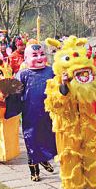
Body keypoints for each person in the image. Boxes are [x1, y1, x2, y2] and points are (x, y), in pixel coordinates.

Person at [44, 36, 96, 189]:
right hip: (67, 128)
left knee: (92, 157)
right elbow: (54, 104)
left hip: (88, 125)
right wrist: (64, 86)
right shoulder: (54, 82)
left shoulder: (87, 81)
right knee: (70, 160)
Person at [5, 42, 57, 181]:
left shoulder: (51, 71)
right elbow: (14, 93)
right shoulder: (22, 74)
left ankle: (44, 158)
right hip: (30, 113)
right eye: (34, 55)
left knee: (49, 137)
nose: (39, 57)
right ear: (26, 59)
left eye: (42, 54)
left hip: (49, 112)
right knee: (32, 139)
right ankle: (34, 170)